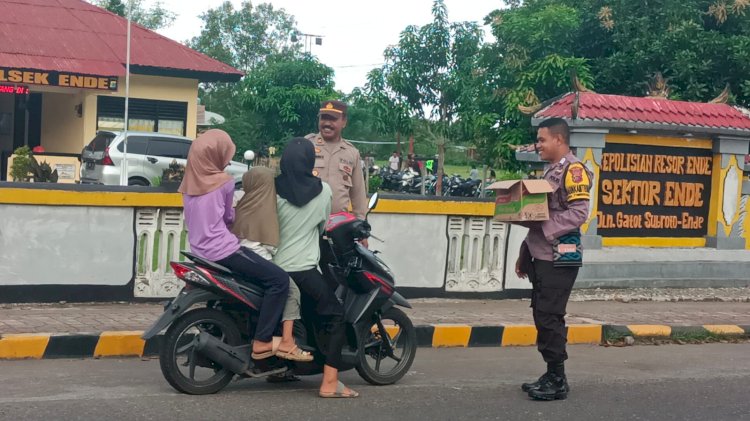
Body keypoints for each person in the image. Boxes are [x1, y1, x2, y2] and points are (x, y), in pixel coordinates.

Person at [179, 129, 289, 362]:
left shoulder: (187, 185)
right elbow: (229, 218)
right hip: (225, 251)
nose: (228, 160)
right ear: (214, 154)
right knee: (279, 281)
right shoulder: (225, 183)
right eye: (226, 154)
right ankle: (262, 340)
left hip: (199, 252)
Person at [513, 118, 592, 401]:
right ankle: (551, 372)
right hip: (542, 255)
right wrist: (525, 252)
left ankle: (558, 379)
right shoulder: (551, 172)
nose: (538, 145)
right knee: (542, 313)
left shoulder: (574, 171)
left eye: (542, 140)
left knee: (550, 315)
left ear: (559, 140)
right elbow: (540, 212)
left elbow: (579, 213)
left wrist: (544, 230)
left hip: (561, 256)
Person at [274, 137, 359, 399]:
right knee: (334, 315)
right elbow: (323, 227)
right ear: (311, 161)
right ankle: (330, 382)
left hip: (273, 268)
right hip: (303, 270)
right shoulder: (323, 191)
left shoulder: (273, 189)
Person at [230, 168, 313, 362]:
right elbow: (269, 244)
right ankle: (286, 342)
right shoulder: (266, 205)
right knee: (290, 289)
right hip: (258, 258)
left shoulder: (238, 200)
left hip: (235, 256)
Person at [306, 100, 368, 288]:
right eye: (324, 118)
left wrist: (362, 229)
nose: (327, 123)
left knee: (336, 280)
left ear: (344, 122)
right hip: (307, 227)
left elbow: (358, 194)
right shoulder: (306, 145)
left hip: (337, 232)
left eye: (333, 119)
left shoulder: (351, 153)